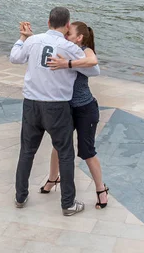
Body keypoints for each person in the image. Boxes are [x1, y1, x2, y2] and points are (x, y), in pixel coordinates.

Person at [9, 7, 100, 216]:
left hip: (31, 103)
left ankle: (20, 196)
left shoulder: (33, 41)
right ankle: (67, 203)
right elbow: (94, 70)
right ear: (67, 25)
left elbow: (15, 57)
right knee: (65, 154)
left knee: (26, 151)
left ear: (48, 22)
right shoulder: (69, 47)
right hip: (57, 106)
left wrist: (22, 38)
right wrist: (72, 62)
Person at [43, 21, 108, 208]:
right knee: (58, 145)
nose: (65, 35)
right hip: (65, 107)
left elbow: (93, 62)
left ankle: (101, 189)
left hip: (85, 108)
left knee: (87, 151)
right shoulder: (63, 47)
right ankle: (53, 178)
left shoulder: (84, 51)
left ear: (79, 38)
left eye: (69, 34)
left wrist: (67, 64)